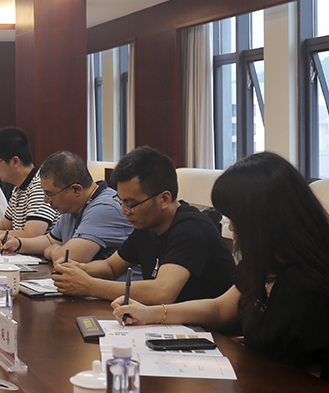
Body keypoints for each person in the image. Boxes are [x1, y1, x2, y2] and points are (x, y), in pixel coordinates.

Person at [113, 152, 329, 378]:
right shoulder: (264, 262)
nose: (231, 227)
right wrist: (149, 313)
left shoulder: (308, 283)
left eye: (236, 218)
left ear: (266, 219)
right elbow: (221, 308)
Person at [51, 146, 235, 304]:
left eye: (131, 204)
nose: (124, 211)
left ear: (164, 199)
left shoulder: (191, 228)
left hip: (209, 331)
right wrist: (78, 268)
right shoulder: (148, 225)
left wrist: (90, 286)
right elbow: (111, 267)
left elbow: (162, 292)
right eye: (122, 202)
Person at [0, 151, 135, 267]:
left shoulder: (105, 208)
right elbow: (51, 240)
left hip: (117, 290)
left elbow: (70, 258)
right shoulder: (73, 206)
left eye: (49, 194)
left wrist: (52, 251)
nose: (46, 200)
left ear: (76, 190)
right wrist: (18, 243)